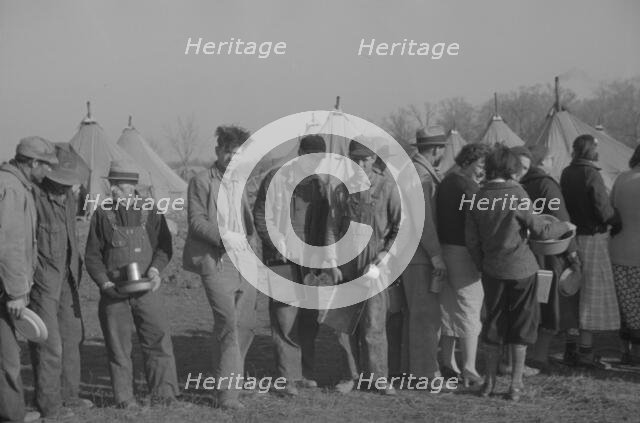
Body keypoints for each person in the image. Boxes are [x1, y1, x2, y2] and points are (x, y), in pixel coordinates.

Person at [466, 146, 573, 401]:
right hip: (522, 270)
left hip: (492, 270)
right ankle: (515, 385)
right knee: (522, 326)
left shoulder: (477, 196)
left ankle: (489, 384)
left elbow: (471, 241)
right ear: (510, 169)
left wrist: (484, 264)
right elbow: (541, 231)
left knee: (493, 324)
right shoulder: (517, 193)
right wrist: (565, 225)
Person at [85, 161, 179, 409]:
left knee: (158, 340)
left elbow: (164, 247)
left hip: (148, 288)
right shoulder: (102, 213)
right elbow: (93, 256)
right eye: (113, 184)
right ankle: (125, 398)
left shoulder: (151, 210)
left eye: (120, 186)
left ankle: (164, 395)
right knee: (118, 347)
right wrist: (105, 284)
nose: (115, 190)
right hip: (114, 292)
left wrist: (156, 270)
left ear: (133, 187)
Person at [183, 125, 257, 410]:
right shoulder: (200, 181)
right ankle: (227, 395)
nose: (231, 158)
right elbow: (196, 221)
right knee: (227, 324)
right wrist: (226, 240)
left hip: (245, 262)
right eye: (227, 151)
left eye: (237, 153)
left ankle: (231, 382)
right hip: (216, 262)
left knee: (246, 326)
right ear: (218, 151)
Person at [252, 135, 330, 395]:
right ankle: (288, 378)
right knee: (285, 318)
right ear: (300, 153)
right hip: (281, 261)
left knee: (310, 318)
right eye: (311, 157)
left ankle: (306, 373)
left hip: (310, 264)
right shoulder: (275, 178)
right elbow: (260, 215)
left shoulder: (319, 186)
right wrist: (276, 245)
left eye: (319, 159)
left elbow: (323, 225)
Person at [326, 140, 401, 395]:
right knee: (345, 325)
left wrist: (382, 257)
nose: (360, 165)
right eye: (355, 160)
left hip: (374, 264)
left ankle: (379, 378)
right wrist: (332, 263)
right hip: (345, 265)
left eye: (365, 160)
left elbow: (400, 230)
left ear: (373, 159)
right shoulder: (340, 190)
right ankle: (350, 375)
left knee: (373, 324)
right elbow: (331, 227)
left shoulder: (388, 187)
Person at [29, 156, 93, 420]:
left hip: (68, 277)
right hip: (42, 280)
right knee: (48, 343)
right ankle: (49, 405)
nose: (68, 186)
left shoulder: (68, 199)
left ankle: (69, 396)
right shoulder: (33, 198)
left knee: (71, 337)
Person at [1, 137, 58, 423]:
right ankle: (11, 416)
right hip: (4, 290)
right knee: (7, 360)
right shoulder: (11, 189)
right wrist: (15, 292)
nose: (48, 172)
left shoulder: (15, 185)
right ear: (33, 163)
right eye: (46, 166)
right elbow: (9, 244)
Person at [519, 145, 581, 371]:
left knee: (536, 303)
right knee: (550, 305)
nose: (553, 164)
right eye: (551, 160)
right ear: (542, 162)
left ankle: (527, 355)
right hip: (551, 255)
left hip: (530, 255)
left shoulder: (521, 184)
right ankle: (540, 356)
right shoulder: (546, 184)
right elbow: (562, 221)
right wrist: (573, 254)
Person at [561, 134, 620, 369]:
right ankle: (586, 354)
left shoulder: (567, 172)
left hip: (572, 239)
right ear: (591, 151)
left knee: (574, 293)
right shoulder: (591, 173)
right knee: (590, 296)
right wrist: (617, 221)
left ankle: (570, 349)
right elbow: (602, 208)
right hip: (592, 238)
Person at [436, 143, 490, 387]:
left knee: (448, 308)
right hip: (464, 252)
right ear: (469, 161)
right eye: (480, 164)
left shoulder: (446, 182)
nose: (482, 170)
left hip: (444, 249)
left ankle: (447, 362)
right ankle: (469, 367)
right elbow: (478, 222)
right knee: (470, 307)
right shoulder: (467, 186)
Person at [401, 126, 448, 380]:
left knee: (417, 317)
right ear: (437, 149)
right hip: (421, 257)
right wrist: (436, 255)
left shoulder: (415, 171)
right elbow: (423, 221)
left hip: (415, 256)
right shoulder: (419, 175)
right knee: (425, 318)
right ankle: (426, 375)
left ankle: (414, 370)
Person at [610, 144, 640, 365]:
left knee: (626, 303)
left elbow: (611, 207)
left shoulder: (621, 179)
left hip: (620, 248)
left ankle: (626, 349)